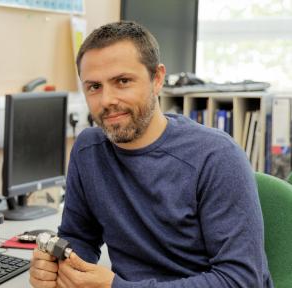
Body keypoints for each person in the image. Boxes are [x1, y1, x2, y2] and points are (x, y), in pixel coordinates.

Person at [29, 21, 272, 288]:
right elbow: (80, 237)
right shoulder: (88, 151)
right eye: (94, 87)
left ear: (157, 79)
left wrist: (116, 287)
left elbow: (242, 281)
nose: (107, 99)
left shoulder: (216, 157)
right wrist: (59, 267)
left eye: (122, 81)